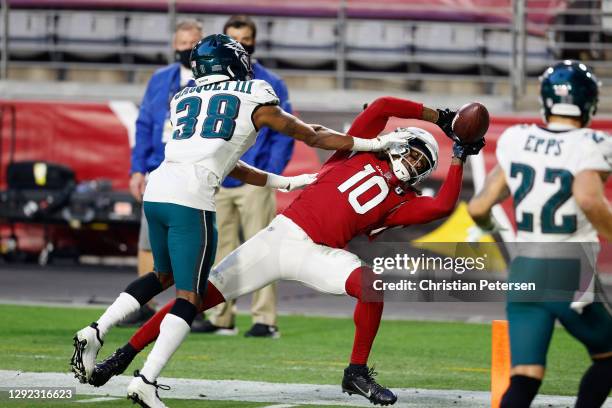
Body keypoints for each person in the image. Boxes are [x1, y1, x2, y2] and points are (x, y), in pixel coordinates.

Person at [70, 34, 419, 408]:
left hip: (159, 189)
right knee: (190, 297)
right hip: (194, 198)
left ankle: (98, 330)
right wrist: (375, 144)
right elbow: (313, 136)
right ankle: (146, 381)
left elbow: (222, 158)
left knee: (162, 276)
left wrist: (282, 181)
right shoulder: (254, 92)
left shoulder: (183, 96)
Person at [87, 96, 486, 406]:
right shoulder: (356, 150)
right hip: (280, 239)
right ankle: (123, 356)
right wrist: (442, 118)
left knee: (371, 285)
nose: (414, 165)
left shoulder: (403, 199)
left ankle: (357, 371)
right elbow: (383, 107)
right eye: (414, 153)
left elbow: (442, 206)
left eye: (422, 164)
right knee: (194, 300)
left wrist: (458, 156)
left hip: (319, 255)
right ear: (396, 145)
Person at [467, 60, 612, 408]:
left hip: (525, 267)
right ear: (588, 102)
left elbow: (478, 207)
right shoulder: (591, 142)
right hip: (570, 268)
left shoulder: (519, 138)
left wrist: (490, 228)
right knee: (608, 358)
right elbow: (588, 199)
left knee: (526, 377)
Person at [198, 15, 295, 338]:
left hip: (256, 179)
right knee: (219, 250)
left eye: (246, 39)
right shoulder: (208, 82)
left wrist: (271, 173)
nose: (241, 44)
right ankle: (219, 317)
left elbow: (284, 134)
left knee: (263, 248)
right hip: (219, 178)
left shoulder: (271, 83)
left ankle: (264, 319)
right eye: (234, 39)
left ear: (254, 41)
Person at [126, 19, 203, 326]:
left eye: (191, 44)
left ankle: (192, 305)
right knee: (149, 241)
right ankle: (146, 305)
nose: (185, 50)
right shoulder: (160, 80)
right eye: (181, 44)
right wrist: (137, 169)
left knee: (193, 241)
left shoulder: (210, 79)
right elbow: (144, 125)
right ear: (174, 45)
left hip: (193, 169)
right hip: (159, 168)